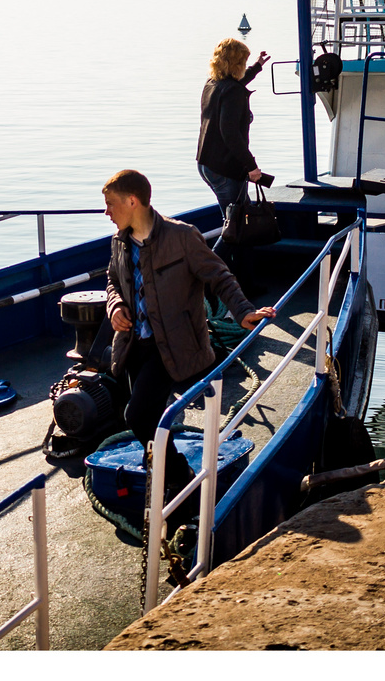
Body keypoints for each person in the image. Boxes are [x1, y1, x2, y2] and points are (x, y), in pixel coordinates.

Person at [101, 169, 275, 508]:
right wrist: (115, 305)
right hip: (134, 345)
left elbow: (218, 276)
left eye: (110, 204)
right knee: (150, 419)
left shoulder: (182, 237)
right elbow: (112, 279)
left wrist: (243, 311)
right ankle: (161, 472)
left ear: (132, 201)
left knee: (137, 417)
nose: (106, 212)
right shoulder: (119, 239)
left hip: (173, 347)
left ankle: (182, 484)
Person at [196, 38, 269, 286]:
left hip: (206, 164)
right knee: (234, 228)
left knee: (239, 223)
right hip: (226, 168)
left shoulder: (213, 84)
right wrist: (251, 167)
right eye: (245, 62)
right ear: (236, 63)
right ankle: (202, 280)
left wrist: (257, 67)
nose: (246, 65)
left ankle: (245, 281)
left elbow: (236, 85)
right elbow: (230, 133)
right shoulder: (234, 91)